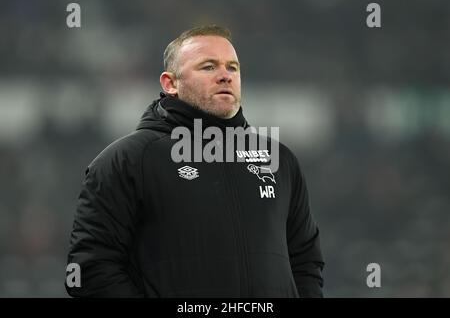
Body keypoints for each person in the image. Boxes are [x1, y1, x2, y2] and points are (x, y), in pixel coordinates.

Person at [66, 25, 324, 297]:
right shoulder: (126, 161)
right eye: (209, 67)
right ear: (170, 83)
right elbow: (91, 269)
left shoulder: (279, 160)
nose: (225, 76)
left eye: (232, 68)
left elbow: (306, 261)